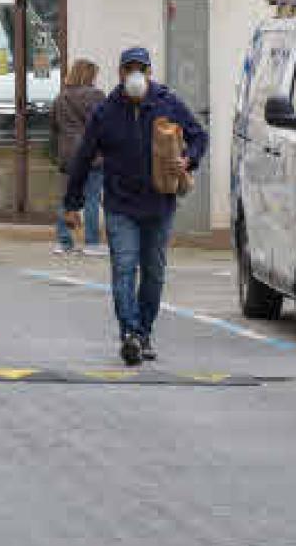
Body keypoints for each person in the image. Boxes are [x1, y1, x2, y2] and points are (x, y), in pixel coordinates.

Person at [63, 47, 207, 367]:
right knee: (124, 269)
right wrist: (71, 204)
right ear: (120, 74)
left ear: (150, 72)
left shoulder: (167, 103)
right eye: (129, 69)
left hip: (159, 204)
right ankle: (129, 333)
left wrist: (189, 159)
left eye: (140, 69)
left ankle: (144, 332)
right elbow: (83, 158)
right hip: (120, 206)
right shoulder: (105, 112)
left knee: (153, 274)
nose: (135, 75)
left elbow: (199, 136)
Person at [52, 58, 107, 256]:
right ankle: (91, 243)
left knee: (67, 199)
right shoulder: (97, 96)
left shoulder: (60, 98)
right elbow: (105, 125)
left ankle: (63, 242)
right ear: (89, 75)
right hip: (92, 155)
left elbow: (55, 128)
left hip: (67, 156)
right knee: (92, 198)